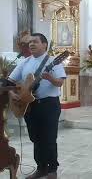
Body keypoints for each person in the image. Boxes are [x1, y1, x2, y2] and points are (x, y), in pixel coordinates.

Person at [8, 33, 66, 179]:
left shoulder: (54, 61)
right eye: (30, 42)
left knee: (49, 138)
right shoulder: (25, 62)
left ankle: (52, 170)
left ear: (44, 45)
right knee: (36, 138)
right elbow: (10, 80)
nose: (31, 44)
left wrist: (50, 78)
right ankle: (41, 168)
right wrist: (11, 94)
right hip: (30, 105)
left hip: (49, 104)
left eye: (35, 41)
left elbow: (60, 82)